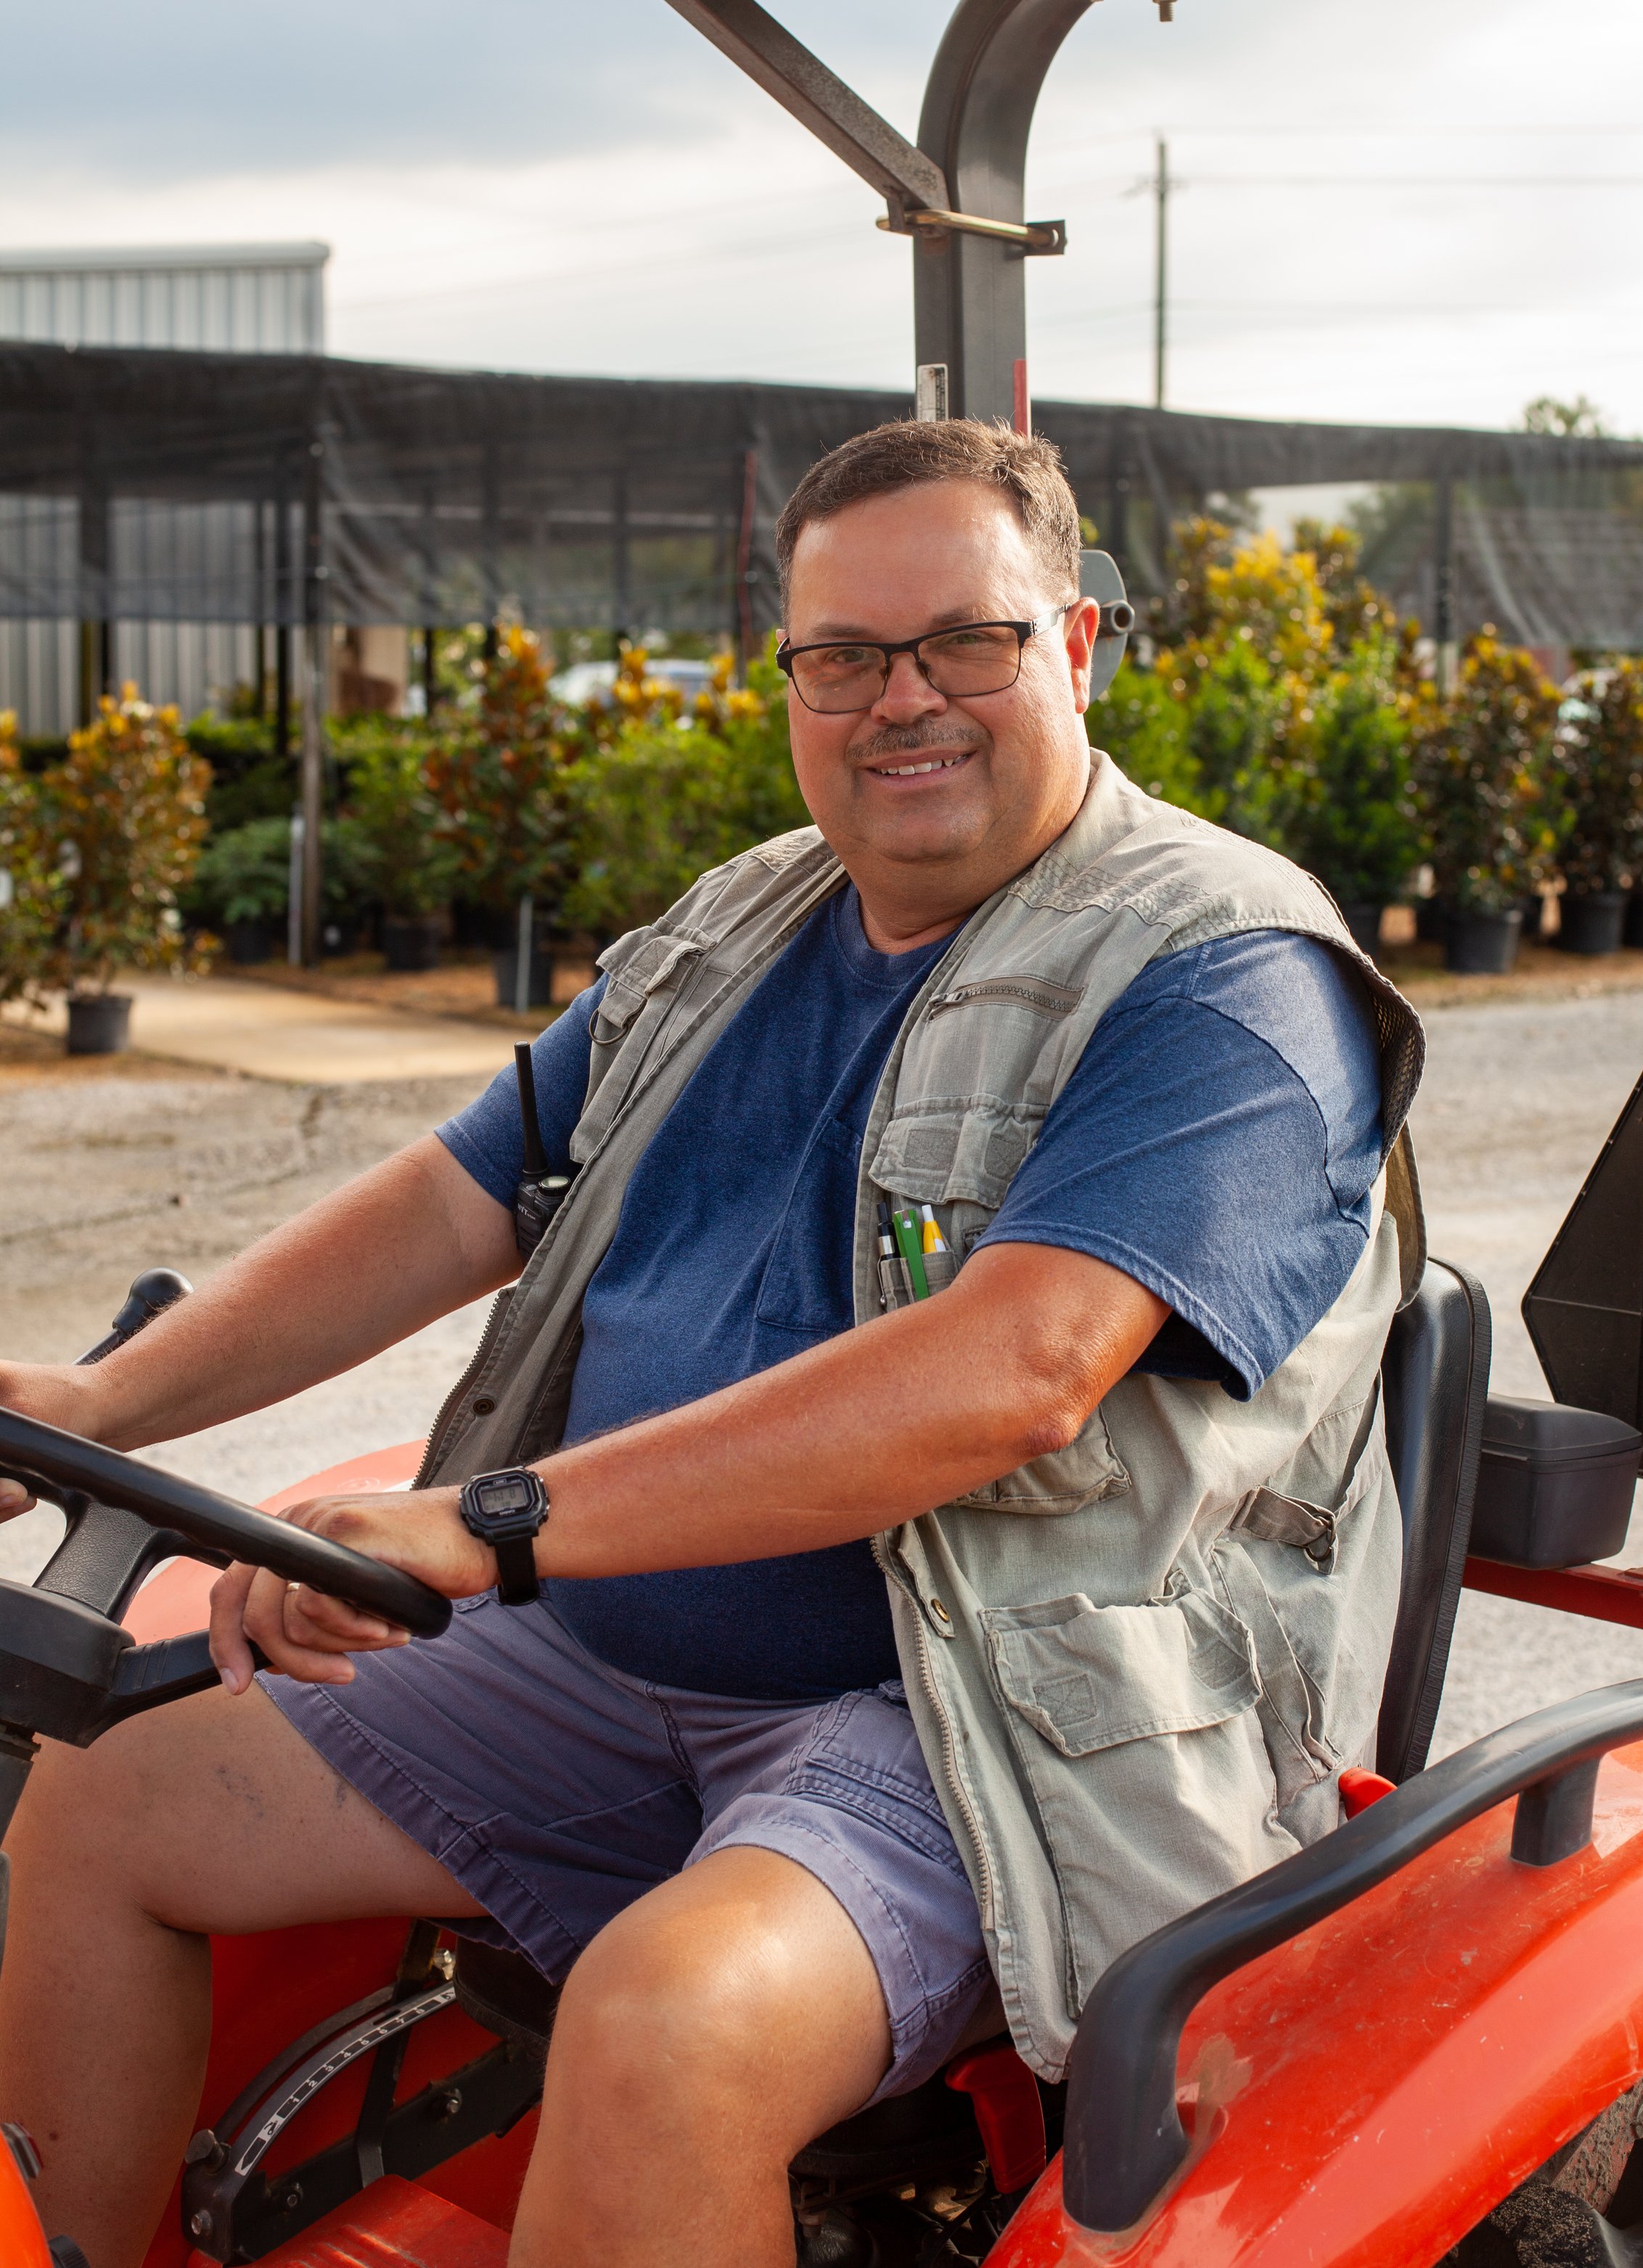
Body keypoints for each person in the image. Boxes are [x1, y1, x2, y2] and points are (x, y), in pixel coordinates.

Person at [0, 419, 1423, 2268]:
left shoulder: (1223, 976)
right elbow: (459, 1198)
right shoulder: (742, 926)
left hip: (965, 1725)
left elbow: (1016, 1369)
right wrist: (104, 1397)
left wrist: (487, 1520)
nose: (897, 700)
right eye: (840, 657)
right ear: (789, 683)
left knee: (673, 2021)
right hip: (602, 1670)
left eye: (961, 643)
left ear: (1073, 649)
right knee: (98, 1795)